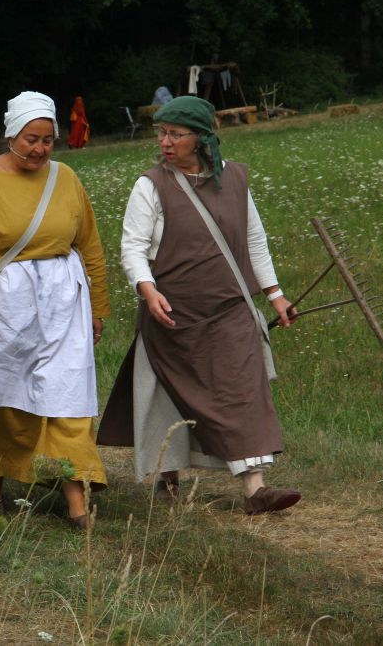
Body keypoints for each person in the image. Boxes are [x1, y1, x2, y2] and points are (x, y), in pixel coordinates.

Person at [97, 95, 301, 514]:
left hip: (230, 310)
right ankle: (168, 474)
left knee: (243, 391)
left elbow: (254, 240)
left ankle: (255, 489)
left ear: (202, 137)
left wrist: (275, 294)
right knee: (170, 396)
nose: (165, 142)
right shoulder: (151, 185)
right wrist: (148, 290)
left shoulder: (235, 179)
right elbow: (133, 247)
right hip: (174, 315)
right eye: (162, 133)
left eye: (175, 134)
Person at [0, 91, 111, 529]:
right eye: (31, 139)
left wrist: (98, 306)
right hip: (5, 305)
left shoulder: (66, 178)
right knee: (2, 400)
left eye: (48, 140)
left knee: (68, 396)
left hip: (64, 304)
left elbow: (89, 244)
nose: (40, 149)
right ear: (10, 135)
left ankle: (77, 503)